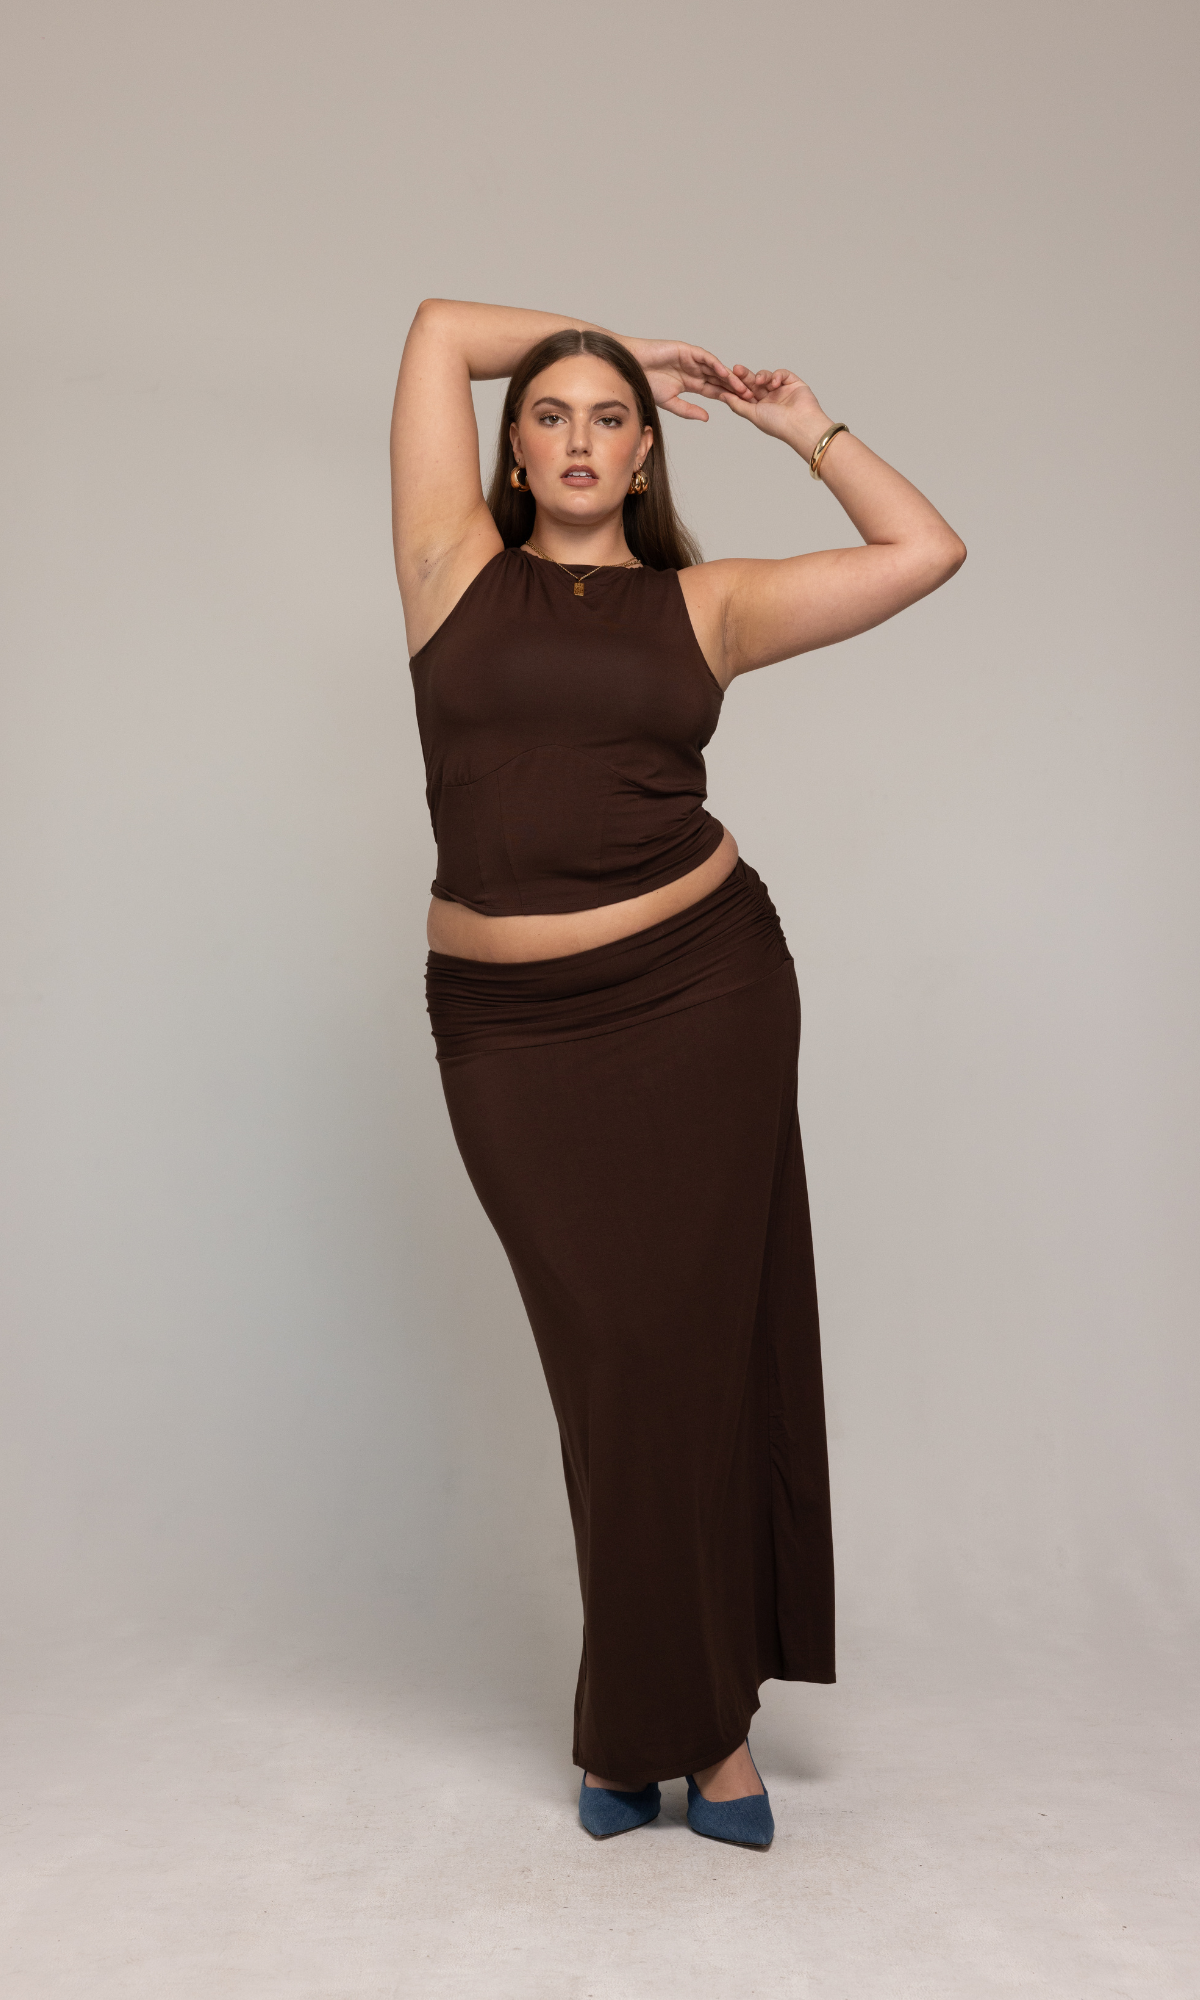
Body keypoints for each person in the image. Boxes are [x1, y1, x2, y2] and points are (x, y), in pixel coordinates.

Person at [390, 299, 965, 1848]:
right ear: (514, 449)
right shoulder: (449, 566)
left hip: (700, 998)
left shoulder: (705, 608)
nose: (579, 437)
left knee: (692, 1366)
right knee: (612, 1365)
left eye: (610, 419)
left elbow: (926, 551)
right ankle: (680, 1720)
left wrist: (800, 423)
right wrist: (624, 343)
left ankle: (683, 1739)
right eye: (552, 414)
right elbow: (438, 331)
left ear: (645, 459)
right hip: (510, 1038)